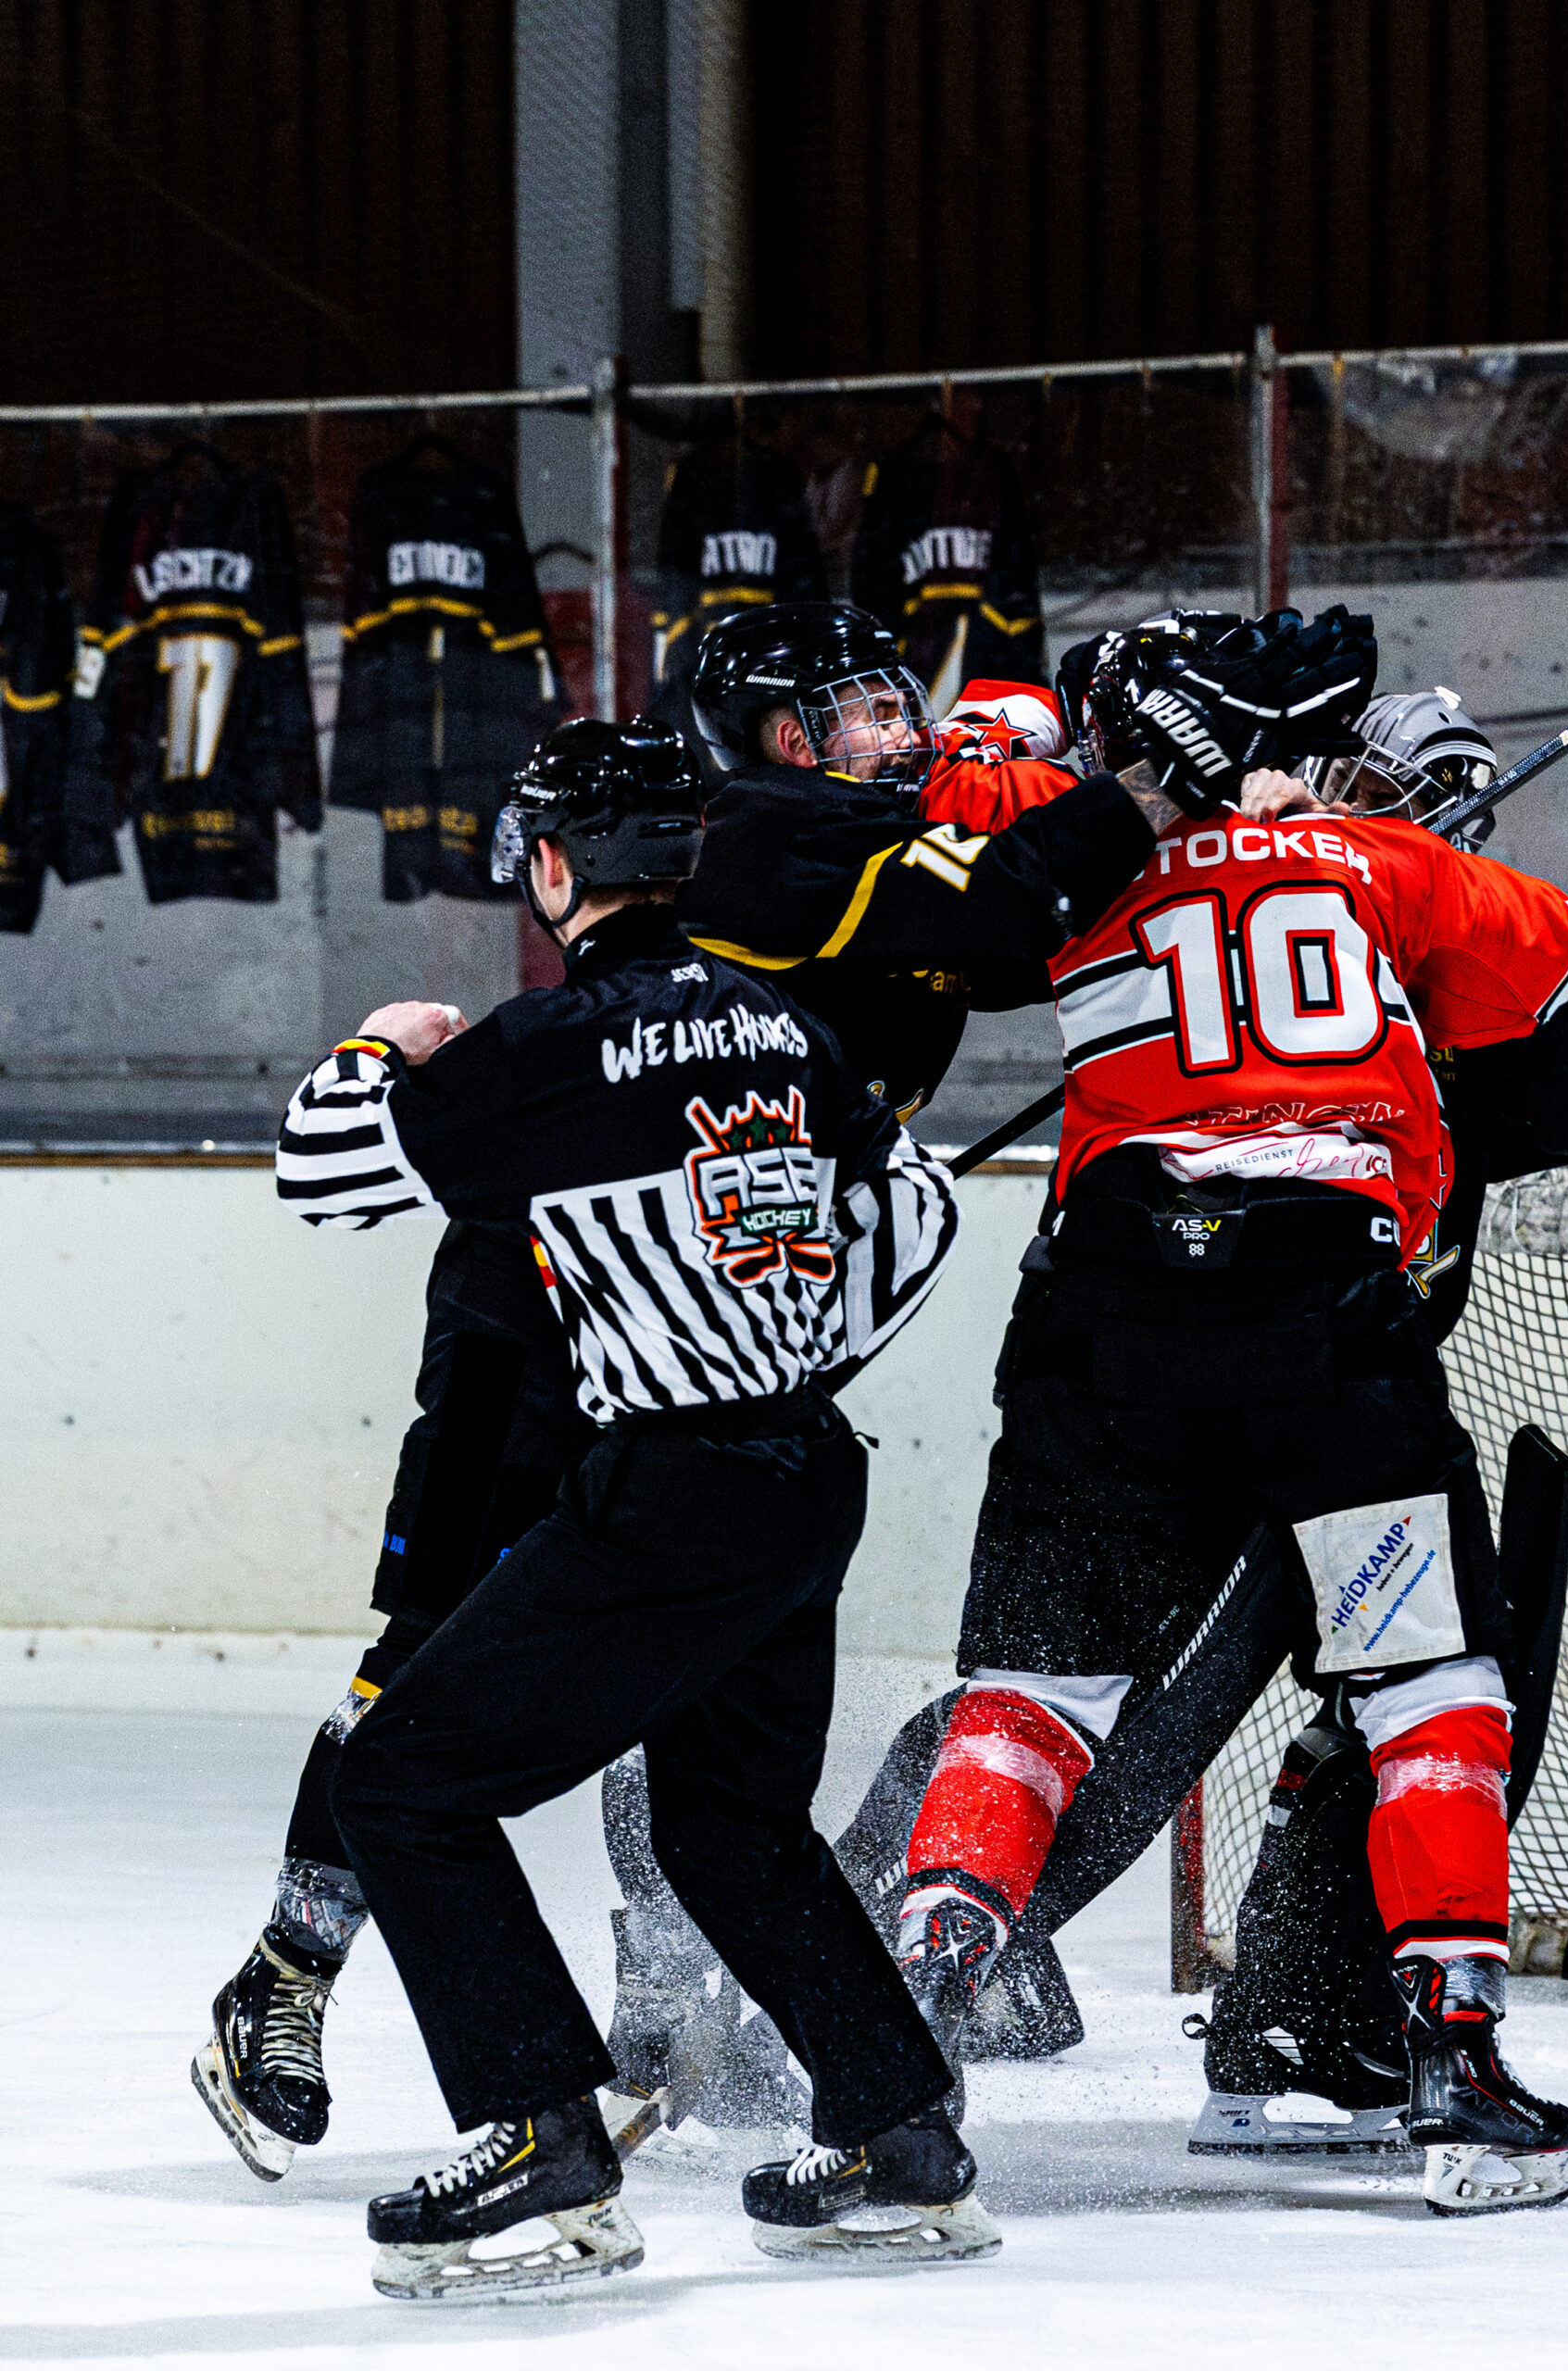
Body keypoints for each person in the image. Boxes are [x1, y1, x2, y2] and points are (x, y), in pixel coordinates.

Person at [189, 604, 1167, 2183]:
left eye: (897, 706)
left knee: (698, 1689)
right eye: (860, 711)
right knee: (438, 1653)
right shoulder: (779, 828)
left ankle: (661, 1989)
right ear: (775, 738)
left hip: (707, 1326)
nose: (898, 732)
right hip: (542, 1303)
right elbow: (1015, 899)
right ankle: (292, 1969)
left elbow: (1019, 921)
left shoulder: (864, 847)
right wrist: (1144, 772)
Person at [828, 683, 1568, 2156]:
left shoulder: (1096, 852)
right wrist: (1380, 890)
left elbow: (954, 812)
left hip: (1118, 1342)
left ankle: (922, 2028)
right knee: (1429, 1688)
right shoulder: (1391, 873)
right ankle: (1446, 2047)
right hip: (1327, 1356)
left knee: (1030, 1697)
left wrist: (1075, 789)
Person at [276, 715, 996, 2295]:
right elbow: (918, 1205)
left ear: (551, 867)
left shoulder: (549, 1047)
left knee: (402, 1785)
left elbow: (322, 1173)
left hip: (669, 1492)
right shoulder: (783, 1024)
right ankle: (899, 2129)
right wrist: (796, 1340)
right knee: (731, 1831)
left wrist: (383, 1046)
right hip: (805, 1475)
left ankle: (541, 2143)